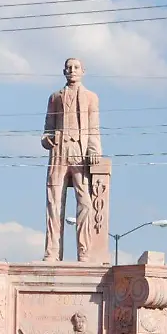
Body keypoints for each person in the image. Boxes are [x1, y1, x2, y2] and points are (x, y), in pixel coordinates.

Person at [42, 58, 102, 262]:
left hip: (79, 148)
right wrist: (46, 139)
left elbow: (94, 126)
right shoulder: (55, 97)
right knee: (54, 201)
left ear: (83, 71)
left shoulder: (91, 97)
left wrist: (94, 149)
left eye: (76, 67)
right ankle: (52, 252)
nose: (72, 70)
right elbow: (47, 127)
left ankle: (84, 252)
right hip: (58, 149)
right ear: (63, 71)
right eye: (69, 67)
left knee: (84, 201)